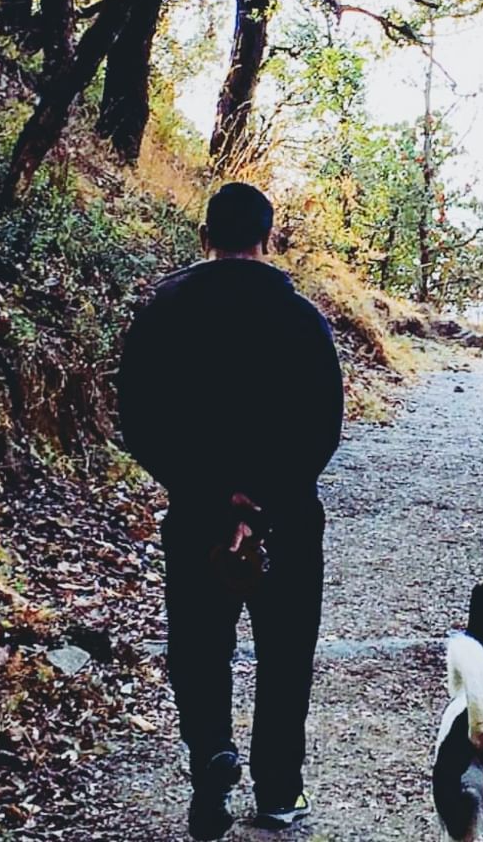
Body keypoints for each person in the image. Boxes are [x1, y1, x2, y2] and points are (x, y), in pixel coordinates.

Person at [117, 182, 344, 840]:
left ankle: (210, 760)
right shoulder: (300, 316)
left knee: (198, 648)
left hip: (195, 515)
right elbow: (322, 424)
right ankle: (277, 788)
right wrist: (264, 497)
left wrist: (217, 495)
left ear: (205, 236)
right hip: (290, 519)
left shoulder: (165, 311)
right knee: (285, 653)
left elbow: (139, 418)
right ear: (265, 239)